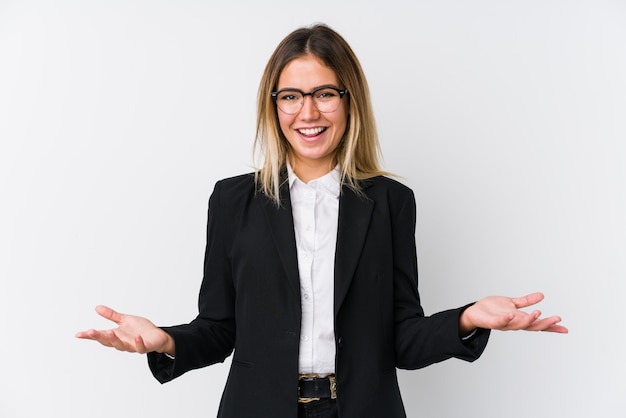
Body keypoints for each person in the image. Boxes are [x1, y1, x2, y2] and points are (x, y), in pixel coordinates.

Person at [76, 24, 568, 418]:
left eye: (324, 93)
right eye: (290, 96)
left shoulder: (391, 203)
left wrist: (466, 318)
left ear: (349, 99)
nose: (307, 112)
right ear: (274, 107)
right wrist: (165, 340)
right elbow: (219, 329)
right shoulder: (232, 201)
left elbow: (401, 338)